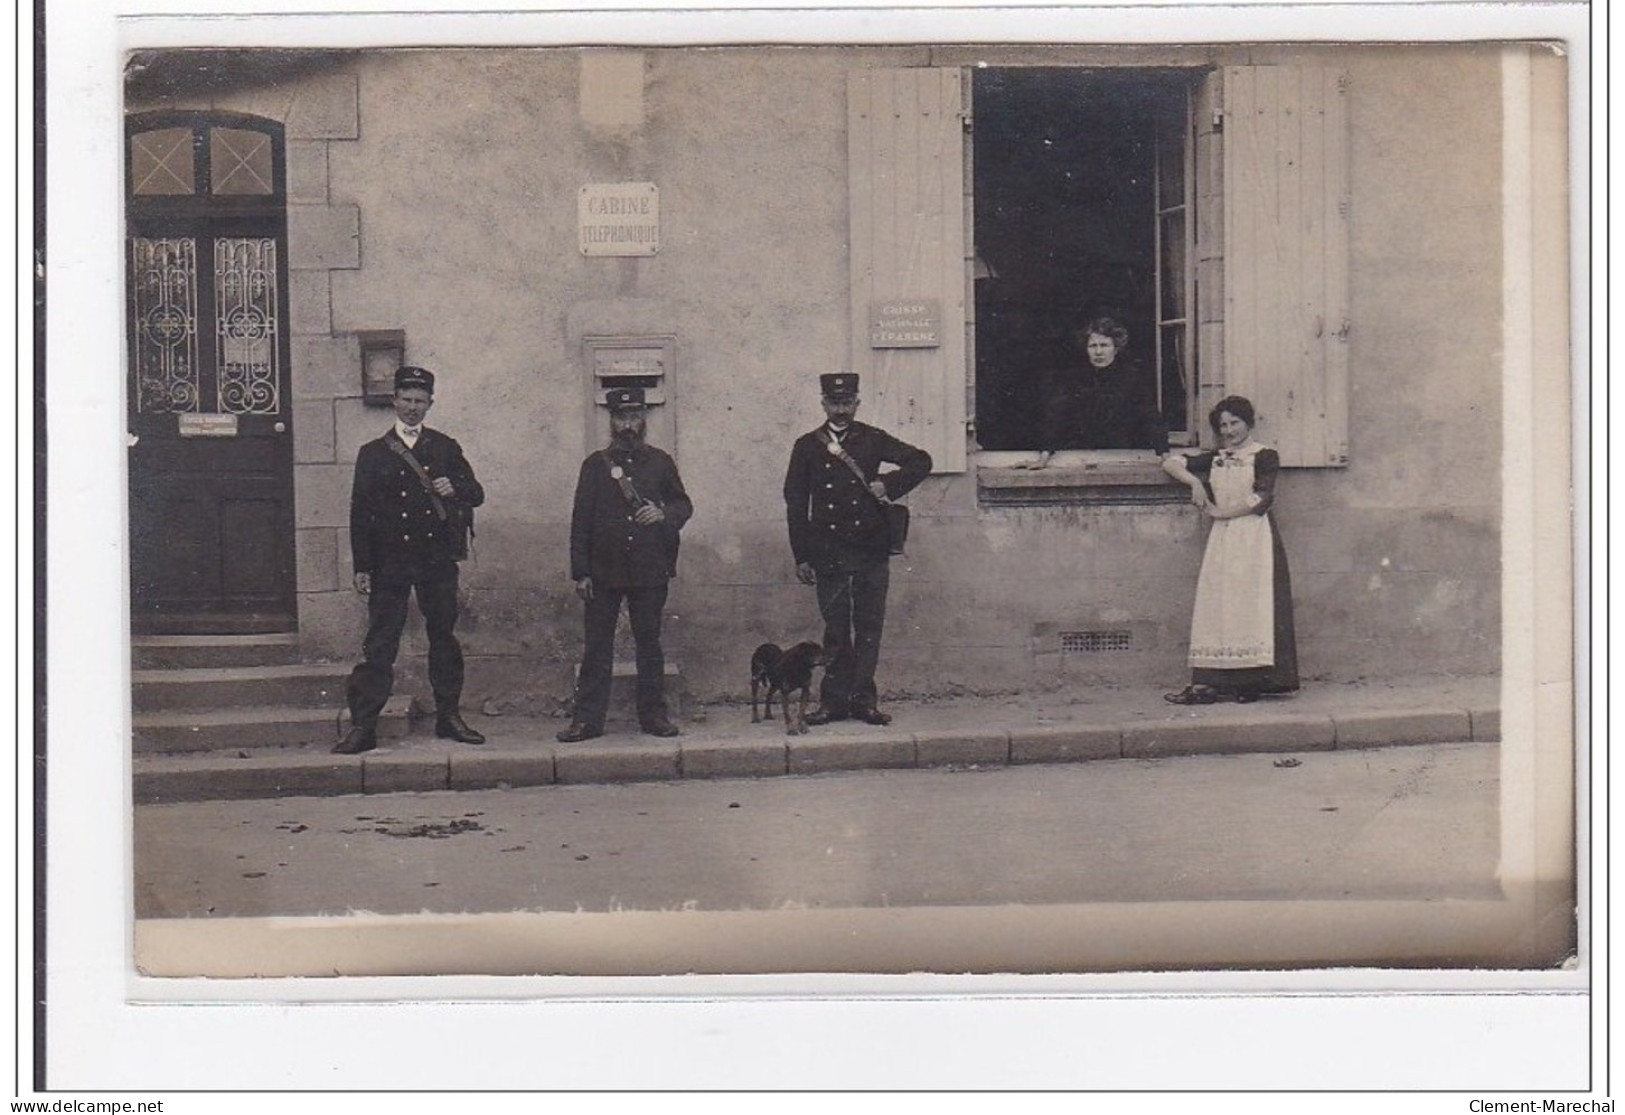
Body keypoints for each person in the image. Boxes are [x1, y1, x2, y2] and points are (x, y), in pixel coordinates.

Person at [336, 366, 487, 754]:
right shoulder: (372, 454)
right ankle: (364, 726)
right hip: (390, 562)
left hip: (435, 560)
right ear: (394, 401)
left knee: (444, 639)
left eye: (420, 401)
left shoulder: (445, 447)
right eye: (406, 399)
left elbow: (476, 493)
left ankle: (449, 717)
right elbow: (360, 513)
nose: (413, 408)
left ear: (430, 404)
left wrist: (454, 487)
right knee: (381, 643)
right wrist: (362, 567)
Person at [783, 372, 932, 726]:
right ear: (823, 403)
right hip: (828, 550)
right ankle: (833, 702)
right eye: (834, 403)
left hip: (870, 548)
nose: (841, 410)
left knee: (869, 626)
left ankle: (864, 701)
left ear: (857, 403)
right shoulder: (806, 446)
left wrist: (888, 484)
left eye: (847, 402)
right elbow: (795, 503)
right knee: (835, 629)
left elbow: (921, 461)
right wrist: (801, 555)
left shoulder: (873, 439)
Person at [557, 386, 693, 742]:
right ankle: (587, 720)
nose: (628, 425)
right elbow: (581, 520)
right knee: (597, 646)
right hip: (604, 571)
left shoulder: (661, 462)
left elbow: (683, 506)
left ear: (644, 419)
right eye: (621, 418)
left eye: (634, 417)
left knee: (650, 644)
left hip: (649, 568)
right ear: (612, 421)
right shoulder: (594, 466)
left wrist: (662, 514)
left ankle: (653, 717)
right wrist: (581, 572)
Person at [1161, 395, 1300, 704]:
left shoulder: (1264, 455)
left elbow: (1261, 497)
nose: (1229, 430)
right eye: (1223, 425)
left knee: (1253, 605)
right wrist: (1194, 483)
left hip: (1255, 537)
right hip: (1223, 539)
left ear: (1248, 423)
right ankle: (1210, 684)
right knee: (1220, 605)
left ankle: (1252, 682)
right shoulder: (1215, 457)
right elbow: (1171, 462)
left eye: (1234, 423)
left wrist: (1224, 513)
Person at [1012, 315, 1168, 467]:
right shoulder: (1074, 379)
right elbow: (1056, 417)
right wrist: (1044, 457)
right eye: (1093, 346)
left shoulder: (1131, 378)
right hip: (1078, 455)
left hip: (1119, 455)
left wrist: (1164, 455)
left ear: (1116, 348)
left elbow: (1151, 417)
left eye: (1104, 345)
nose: (1098, 352)